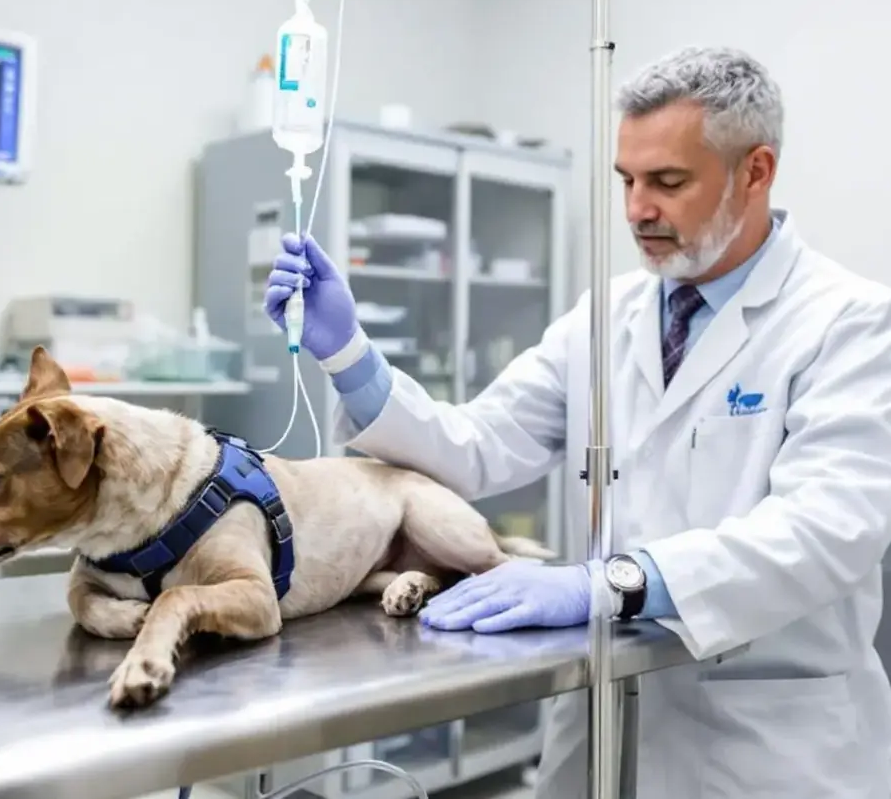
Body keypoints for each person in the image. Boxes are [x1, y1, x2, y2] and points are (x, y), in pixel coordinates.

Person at [265, 46, 891, 797]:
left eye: (668, 182)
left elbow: (827, 530)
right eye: (627, 180)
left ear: (755, 172)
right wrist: (348, 355)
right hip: (601, 720)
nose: (636, 210)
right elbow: (477, 447)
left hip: (765, 744)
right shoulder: (607, 314)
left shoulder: (850, 322)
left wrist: (615, 582)